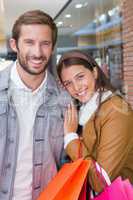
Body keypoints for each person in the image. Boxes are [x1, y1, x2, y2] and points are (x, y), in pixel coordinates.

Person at [0, 10, 70, 200]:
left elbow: (68, 159)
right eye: (29, 42)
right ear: (14, 45)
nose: (37, 52)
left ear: (52, 47)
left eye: (45, 43)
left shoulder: (65, 98)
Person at [57, 50, 133, 193]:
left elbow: (101, 182)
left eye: (80, 77)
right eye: (68, 83)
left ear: (95, 72)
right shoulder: (85, 111)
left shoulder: (116, 110)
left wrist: (71, 137)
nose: (76, 88)